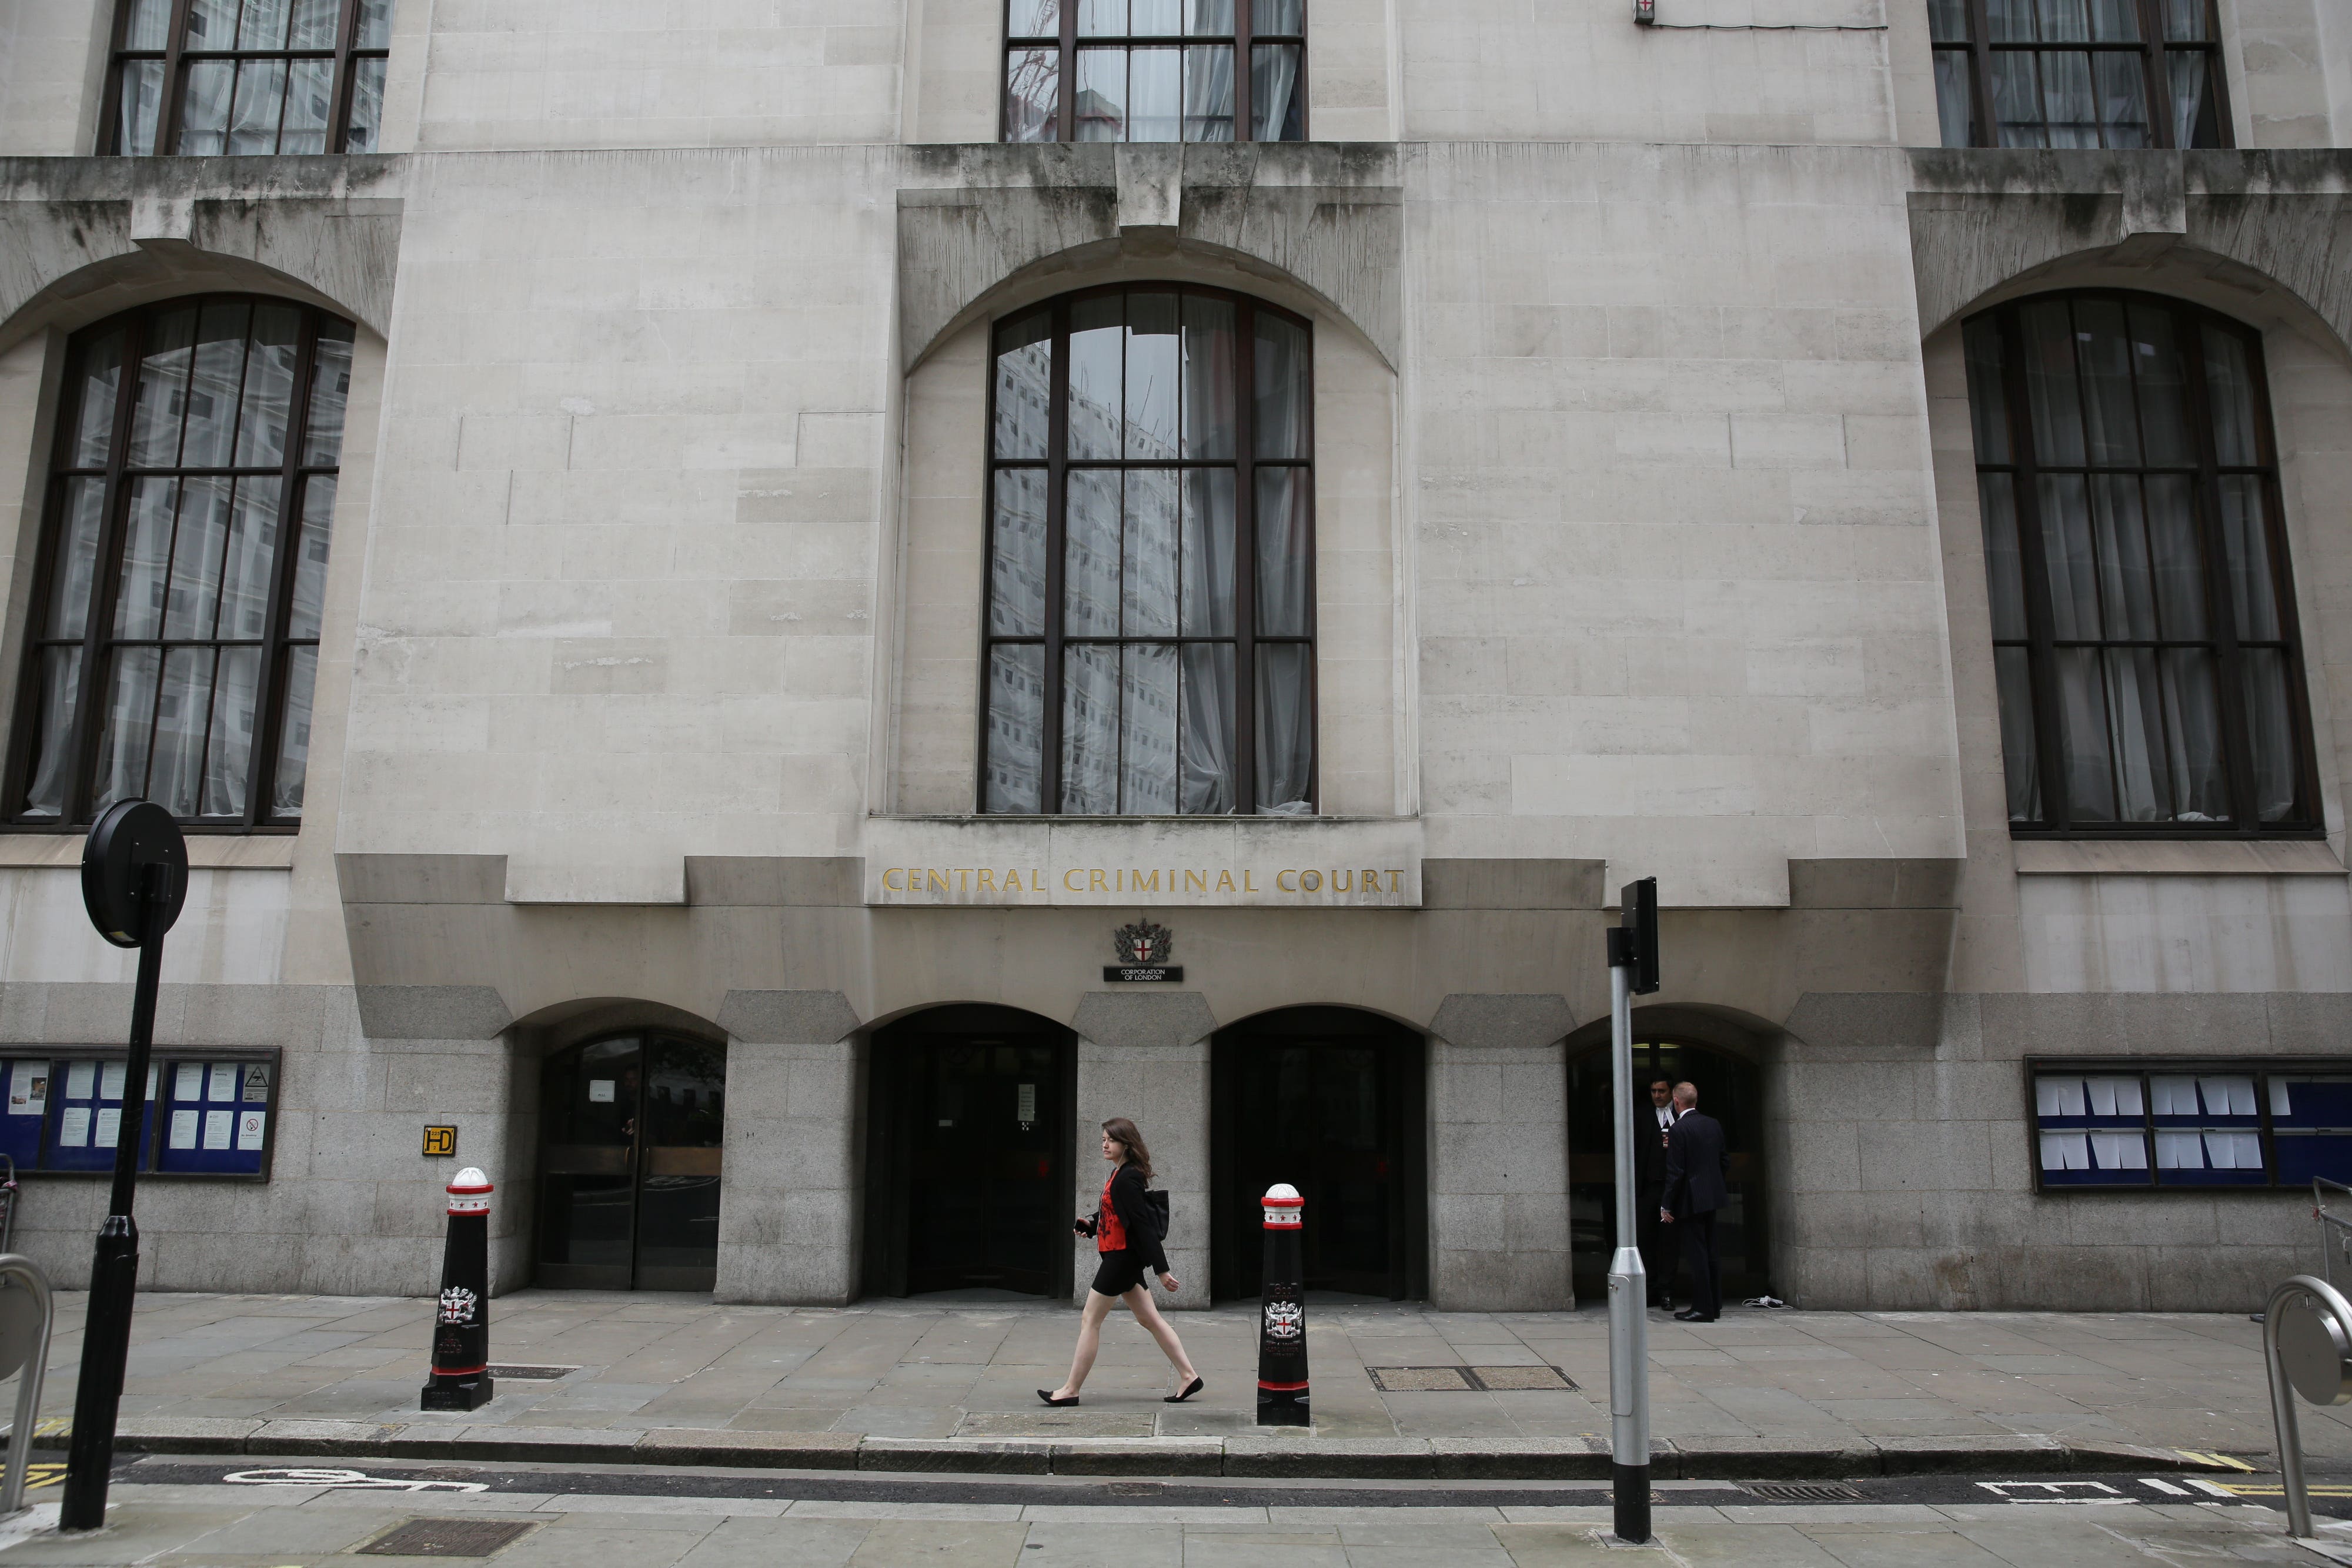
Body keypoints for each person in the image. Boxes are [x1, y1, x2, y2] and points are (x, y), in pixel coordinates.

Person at [1039, 1117, 1204, 1406]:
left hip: (1121, 1260)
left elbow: (1142, 1225)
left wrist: (1162, 1270)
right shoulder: (1120, 1174)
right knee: (1149, 1319)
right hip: (1121, 1257)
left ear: (1126, 1144)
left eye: (1110, 1140)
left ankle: (1070, 1390)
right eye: (1103, 1139)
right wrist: (1091, 1225)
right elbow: (1118, 1217)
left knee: (1090, 1319)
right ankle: (1189, 1376)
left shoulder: (1127, 1177)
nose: (1104, 1144)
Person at [1659, 1081, 1729, 1323]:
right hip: (1711, 1196)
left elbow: (1675, 1172)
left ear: (1676, 1102)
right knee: (1711, 1251)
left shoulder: (1679, 1129)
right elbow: (1723, 1161)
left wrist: (1667, 1204)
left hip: (1690, 1200)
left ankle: (1702, 1308)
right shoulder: (1713, 1124)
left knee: (1697, 1254)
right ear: (1695, 1100)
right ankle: (1715, 1304)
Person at [1635, 1077, 1679, 1310]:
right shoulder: (1642, 1115)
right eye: (1653, 1091)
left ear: (1672, 1092)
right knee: (1646, 1239)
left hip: (1671, 1189)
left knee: (1669, 1241)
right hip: (1648, 1188)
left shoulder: (1680, 1116)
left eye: (1662, 1091)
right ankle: (1649, 1289)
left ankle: (1667, 1290)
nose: (1657, 1095)